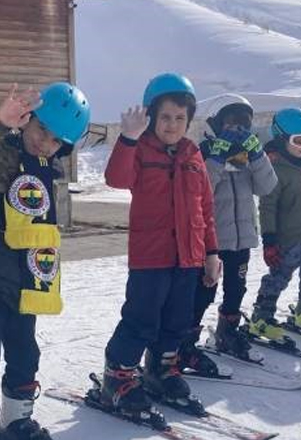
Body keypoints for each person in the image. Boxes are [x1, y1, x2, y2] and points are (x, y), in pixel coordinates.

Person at [0, 82, 90, 440]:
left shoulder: (46, 173)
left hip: (26, 281)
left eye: (56, 141)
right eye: (42, 129)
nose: (45, 142)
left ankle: (17, 419)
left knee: (25, 352)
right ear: (27, 119)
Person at [99, 73, 221, 418]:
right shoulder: (140, 148)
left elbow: (206, 208)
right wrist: (127, 138)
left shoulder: (192, 154)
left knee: (177, 320)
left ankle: (161, 370)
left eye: (180, 118)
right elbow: (116, 178)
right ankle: (118, 376)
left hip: (189, 257)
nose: (172, 125)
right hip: (150, 257)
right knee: (142, 319)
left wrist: (211, 253)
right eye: (165, 117)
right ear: (152, 116)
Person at [177, 93, 277, 376]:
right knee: (204, 291)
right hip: (212, 241)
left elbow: (266, 186)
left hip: (241, 238)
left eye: (244, 122)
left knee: (237, 288)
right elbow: (201, 189)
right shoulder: (203, 152)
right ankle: (185, 343)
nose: (238, 128)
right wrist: (217, 156)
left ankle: (228, 333)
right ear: (215, 123)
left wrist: (257, 155)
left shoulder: (242, 155)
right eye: (232, 122)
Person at [246, 107, 301, 343]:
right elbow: (267, 207)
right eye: (299, 141)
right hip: (288, 239)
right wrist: (270, 240)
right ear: (281, 137)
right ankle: (261, 318)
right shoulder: (274, 170)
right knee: (280, 276)